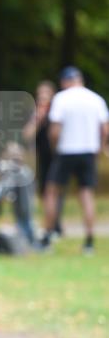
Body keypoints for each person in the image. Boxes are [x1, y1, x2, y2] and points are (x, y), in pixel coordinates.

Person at [40, 67, 109, 255]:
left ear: (64, 82)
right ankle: (89, 241)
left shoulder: (62, 99)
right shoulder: (96, 99)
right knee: (86, 194)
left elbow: (54, 131)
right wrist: (99, 147)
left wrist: (55, 149)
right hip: (88, 151)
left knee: (52, 192)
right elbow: (105, 129)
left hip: (66, 151)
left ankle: (47, 236)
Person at [22, 80, 63, 234]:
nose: (42, 97)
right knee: (45, 192)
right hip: (41, 159)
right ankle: (50, 226)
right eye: (40, 94)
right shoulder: (36, 113)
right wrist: (38, 118)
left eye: (46, 94)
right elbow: (27, 136)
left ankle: (54, 226)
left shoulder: (59, 112)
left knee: (54, 192)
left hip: (57, 157)